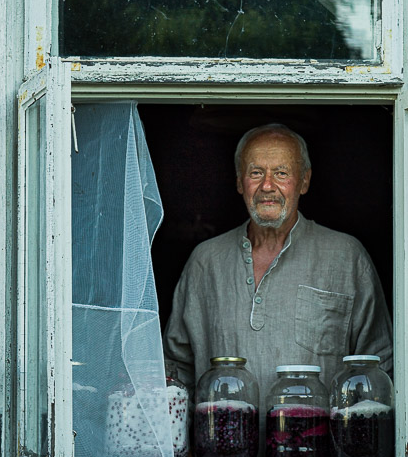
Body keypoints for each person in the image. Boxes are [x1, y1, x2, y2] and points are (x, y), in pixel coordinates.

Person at [163, 123, 393, 416]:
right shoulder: (206, 261)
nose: (267, 186)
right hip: (217, 456)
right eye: (256, 173)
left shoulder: (346, 257)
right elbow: (174, 369)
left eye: (281, 173)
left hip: (320, 456)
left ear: (304, 181)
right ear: (239, 182)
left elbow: (380, 365)